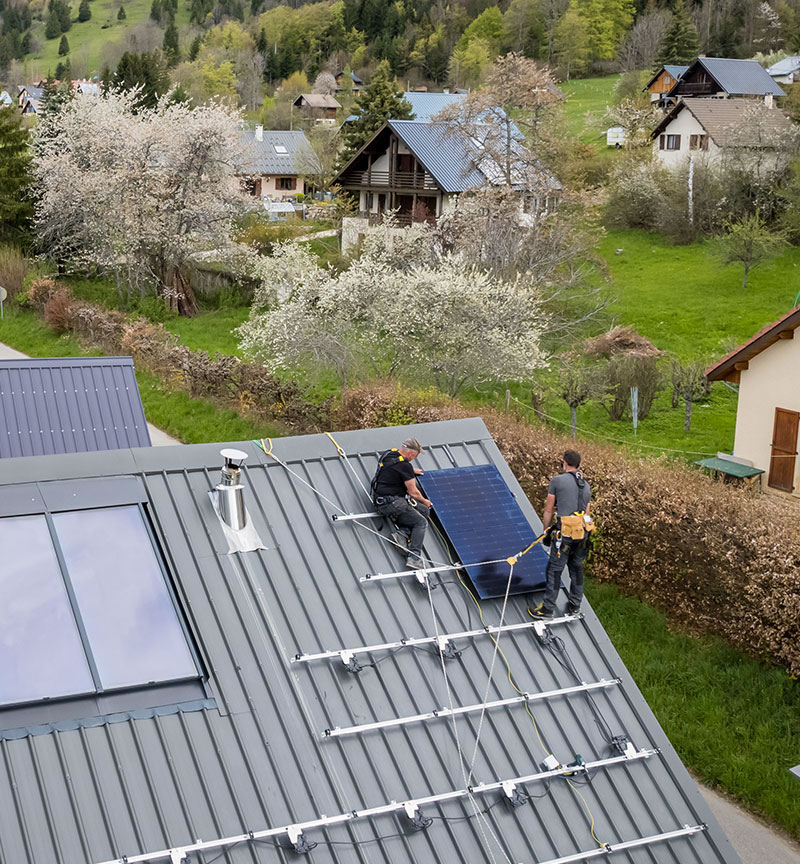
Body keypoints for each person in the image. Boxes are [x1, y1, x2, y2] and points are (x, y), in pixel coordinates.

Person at [530, 449, 593, 619]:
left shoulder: (557, 481)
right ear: (579, 465)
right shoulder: (586, 485)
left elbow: (549, 509)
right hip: (582, 535)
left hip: (564, 534)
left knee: (554, 570)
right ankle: (574, 606)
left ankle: (547, 609)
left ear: (564, 463)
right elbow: (586, 514)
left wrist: (545, 531)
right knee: (576, 568)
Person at [371, 438, 432, 569]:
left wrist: (411, 471)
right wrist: (425, 501)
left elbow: (393, 468)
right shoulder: (404, 466)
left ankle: (401, 534)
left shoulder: (389, 454)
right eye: (416, 455)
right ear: (412, 453)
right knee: (421, 522)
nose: (415, 457)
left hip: (380, 499)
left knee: (423, 511)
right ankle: (414, 557)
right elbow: (413, 492)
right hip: (392, 503)